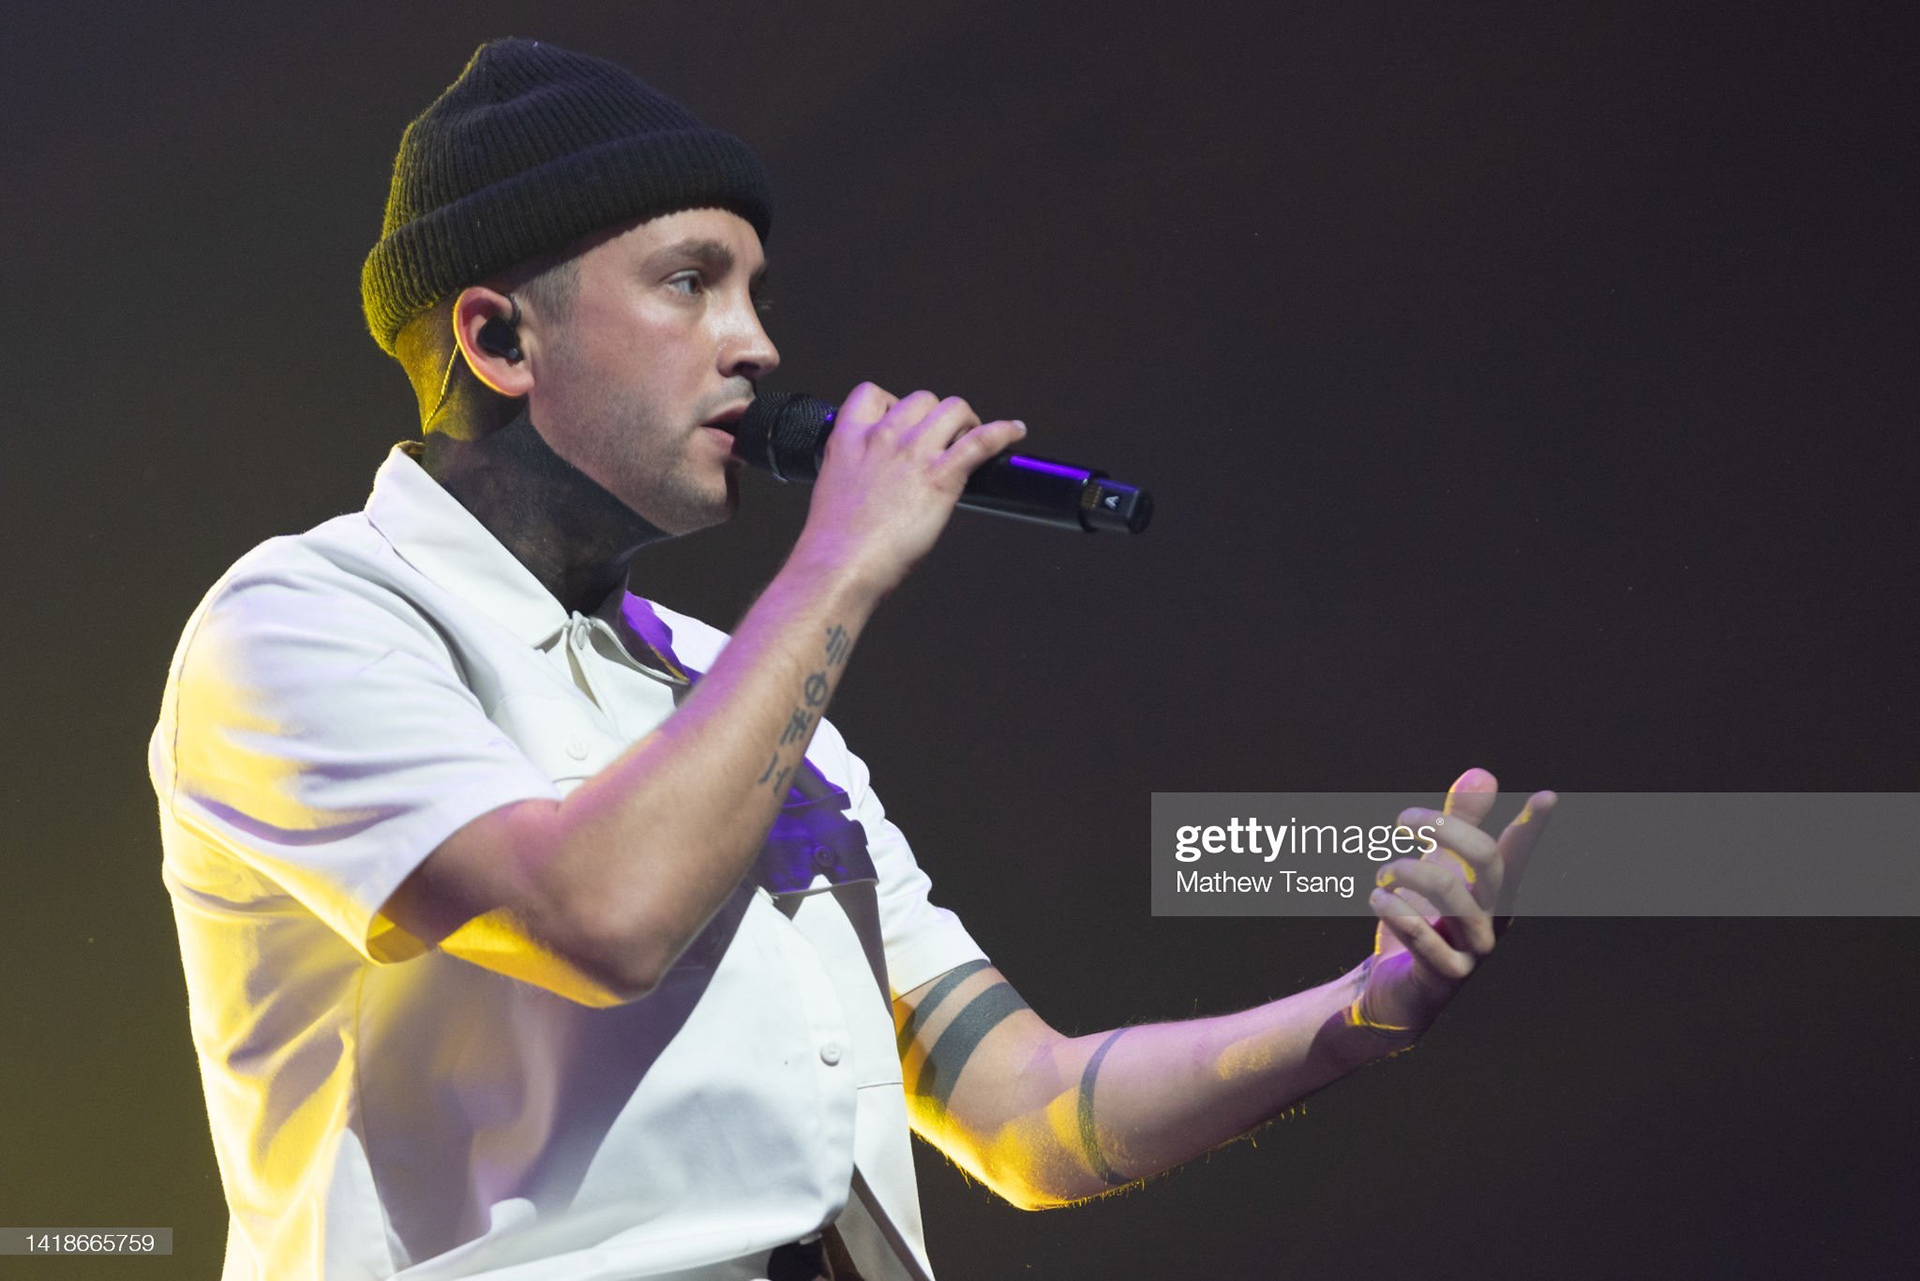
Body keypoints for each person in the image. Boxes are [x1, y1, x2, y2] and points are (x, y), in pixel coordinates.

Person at [150, 37, 1556, 1281]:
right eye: (690, 283)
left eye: (755, 292)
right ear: (500, 337)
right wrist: (840, 563)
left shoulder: (736, 690)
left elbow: (1028, 1111)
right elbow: (600, 915)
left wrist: (1359, 1016)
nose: (758, 346)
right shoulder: (304, 622)